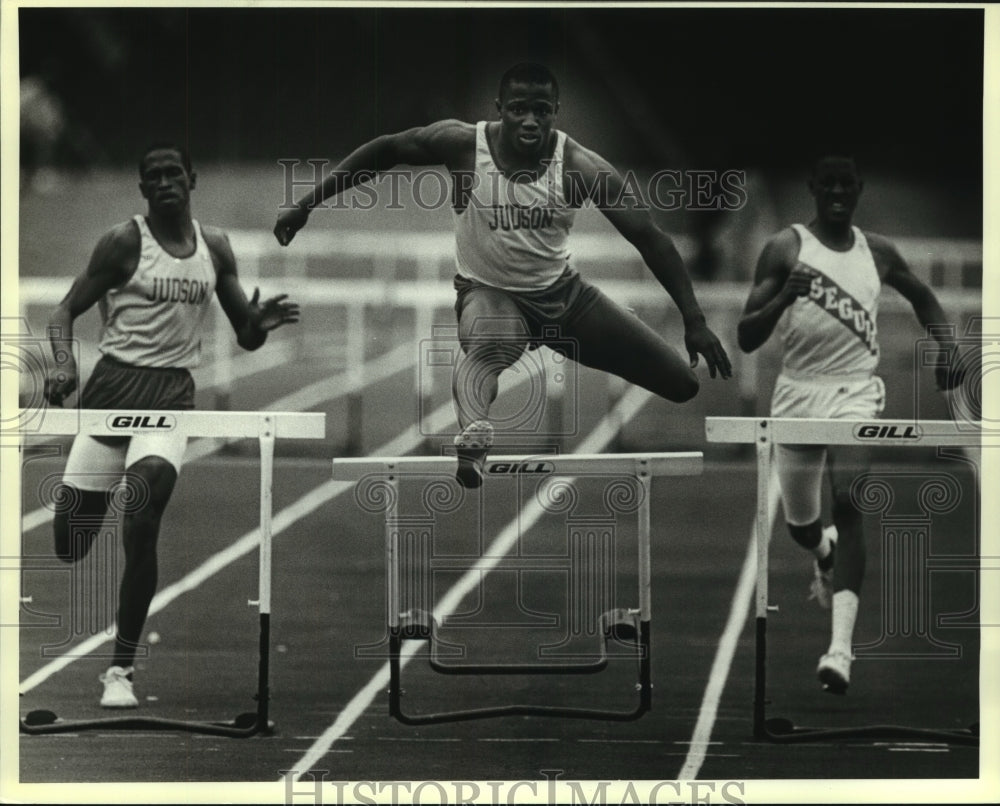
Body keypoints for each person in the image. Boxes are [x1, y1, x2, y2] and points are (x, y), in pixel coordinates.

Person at [274, 62, 732, 488]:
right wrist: (307, 203)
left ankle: (585, 334)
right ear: (499, 110)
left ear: (555, 112)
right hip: (491, 294)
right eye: (518, 110)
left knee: (682, 384)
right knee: (487, 345)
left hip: (562, 297)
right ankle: (473, 433)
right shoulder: (461, 145)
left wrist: (694, 320)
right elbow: (387, 150)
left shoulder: (580, 168)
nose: (529, 121)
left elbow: (651, 239)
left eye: (540, 111)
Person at [44, 143, 300, 708]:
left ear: (192, 179)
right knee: (70, 544)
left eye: (173, 173)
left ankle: (120, 671)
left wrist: (259, 323)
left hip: (170, 400)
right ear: (142, 189)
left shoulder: (214, 248)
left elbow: (245, 333)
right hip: (111, 396)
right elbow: (64, 309)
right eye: (153, 176)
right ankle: (94, 507)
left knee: (142, 515)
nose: (164, 182)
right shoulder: (123, 243)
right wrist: (63, 364)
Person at [737, 154, 963, 694]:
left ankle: (840, 649)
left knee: (852, 501)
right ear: (814, 189)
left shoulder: (877, 252)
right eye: (828, 185)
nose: (838, 193)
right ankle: (823, 554)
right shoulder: (785, 248)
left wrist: (948, 343)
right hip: (797, 394)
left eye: (847, 186)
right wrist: (784, 298)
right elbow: (747, 335)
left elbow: (922, 295)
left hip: (857, 393)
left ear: (857, 190)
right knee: (801, 527)